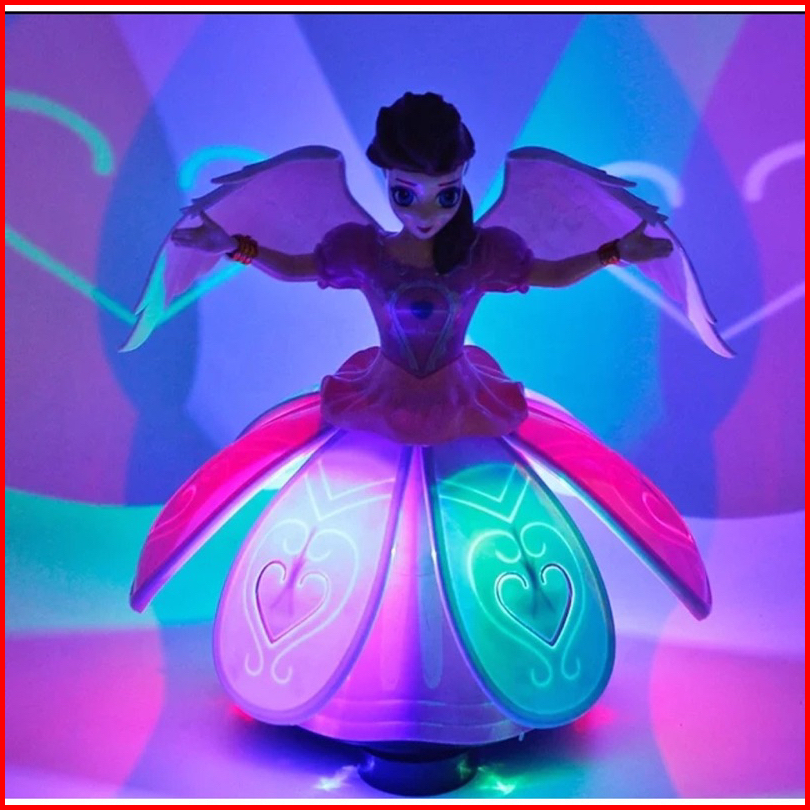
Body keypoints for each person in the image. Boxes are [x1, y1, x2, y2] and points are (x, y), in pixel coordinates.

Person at [129, 92, 718, 766]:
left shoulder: (483, 255)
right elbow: (296, 266)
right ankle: (357, 674)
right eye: (407, 194)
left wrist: (617, 249)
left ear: (462, 183)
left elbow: (551, 272)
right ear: (386, 182)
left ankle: (481, 677)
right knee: (364, 532)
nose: (426, 210)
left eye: (445, 194)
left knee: (470, 534)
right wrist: (231, 244)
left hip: (459, 400)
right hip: (379, 399)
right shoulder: (364, 252)